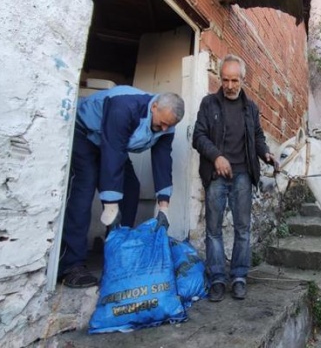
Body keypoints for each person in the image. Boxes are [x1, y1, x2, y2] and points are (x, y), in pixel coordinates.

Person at [59, 85, 185, 288]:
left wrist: (164, 206)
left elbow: (162, 161)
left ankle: (116, 252)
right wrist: (110, 203)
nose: (163, 129)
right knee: (84, 188)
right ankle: (70, 266)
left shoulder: (167, 126)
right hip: (86, 135)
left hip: (113, 144)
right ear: (154, 107)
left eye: (168, 127)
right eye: (162, 123)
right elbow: (112, 152)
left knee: (131, 188)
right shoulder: (124, 107)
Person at [192, 54, 279, 301]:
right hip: (216, 176)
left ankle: (239, 276)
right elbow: (198, 136)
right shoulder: (208, 104)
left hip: (243, 175)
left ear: (243, 79)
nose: (229, 86)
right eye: (225, 80)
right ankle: (217, 279)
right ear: (220, 78)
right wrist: (216, 156)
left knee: (242, 229)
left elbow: (258, 137)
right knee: (213, 230)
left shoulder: (251, 108)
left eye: (234, 80)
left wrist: (267, 154)